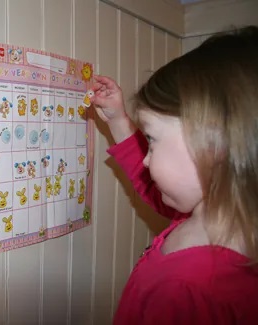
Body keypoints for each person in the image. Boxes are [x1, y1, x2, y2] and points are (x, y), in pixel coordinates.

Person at [89, 26, 258, 324]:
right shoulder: (210, 213)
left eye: (151, 139)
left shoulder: (186, 291)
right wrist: (119, 122)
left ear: (213, 145)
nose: (145, 159)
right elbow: (157, 189)